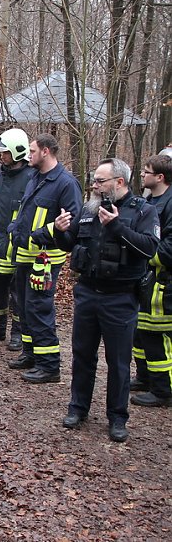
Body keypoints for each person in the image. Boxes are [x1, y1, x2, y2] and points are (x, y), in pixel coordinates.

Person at [53, 158, 159, 442]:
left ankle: (117, 417)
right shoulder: (88, 211)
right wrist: (59, 230)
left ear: (120, 183)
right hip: (87, 293)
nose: (94, 186)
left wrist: (116, 228)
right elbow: (69, 243)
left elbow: (149, 248)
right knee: (82, 355)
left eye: (100, 181)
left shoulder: (142, 211)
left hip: (120, 298)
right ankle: (78, 408)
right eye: (94, 180)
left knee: (119, 362)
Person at [7, 133, 82, 382]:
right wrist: (15, 227)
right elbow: (26, 210)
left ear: (46, 151)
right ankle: (31, 354)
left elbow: (70, 225)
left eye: (32, 151)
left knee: (39, 309)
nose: (28, 155)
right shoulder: (35, 178)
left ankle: (49, 366)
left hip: (45, 259)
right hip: (25, 254)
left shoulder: (65, 183)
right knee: (26, 308)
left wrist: (40, 234)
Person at [0, 128, 33, 350]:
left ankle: (18, 334)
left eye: (5, 153)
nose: (1, 157)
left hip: (17, 246)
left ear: (18, 152)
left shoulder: (31, 178)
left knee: (18, 294)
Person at [131, 153, 172, 407]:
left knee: (158, 336)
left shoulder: (170, 203)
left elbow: (168, 248)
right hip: (145, 280)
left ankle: (163, 390)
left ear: (160, 177)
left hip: (163, 282)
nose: (143, 175)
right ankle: (145, 376)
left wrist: (143, 254)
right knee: (141, 332)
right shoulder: (147, 200)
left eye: (147, 172)